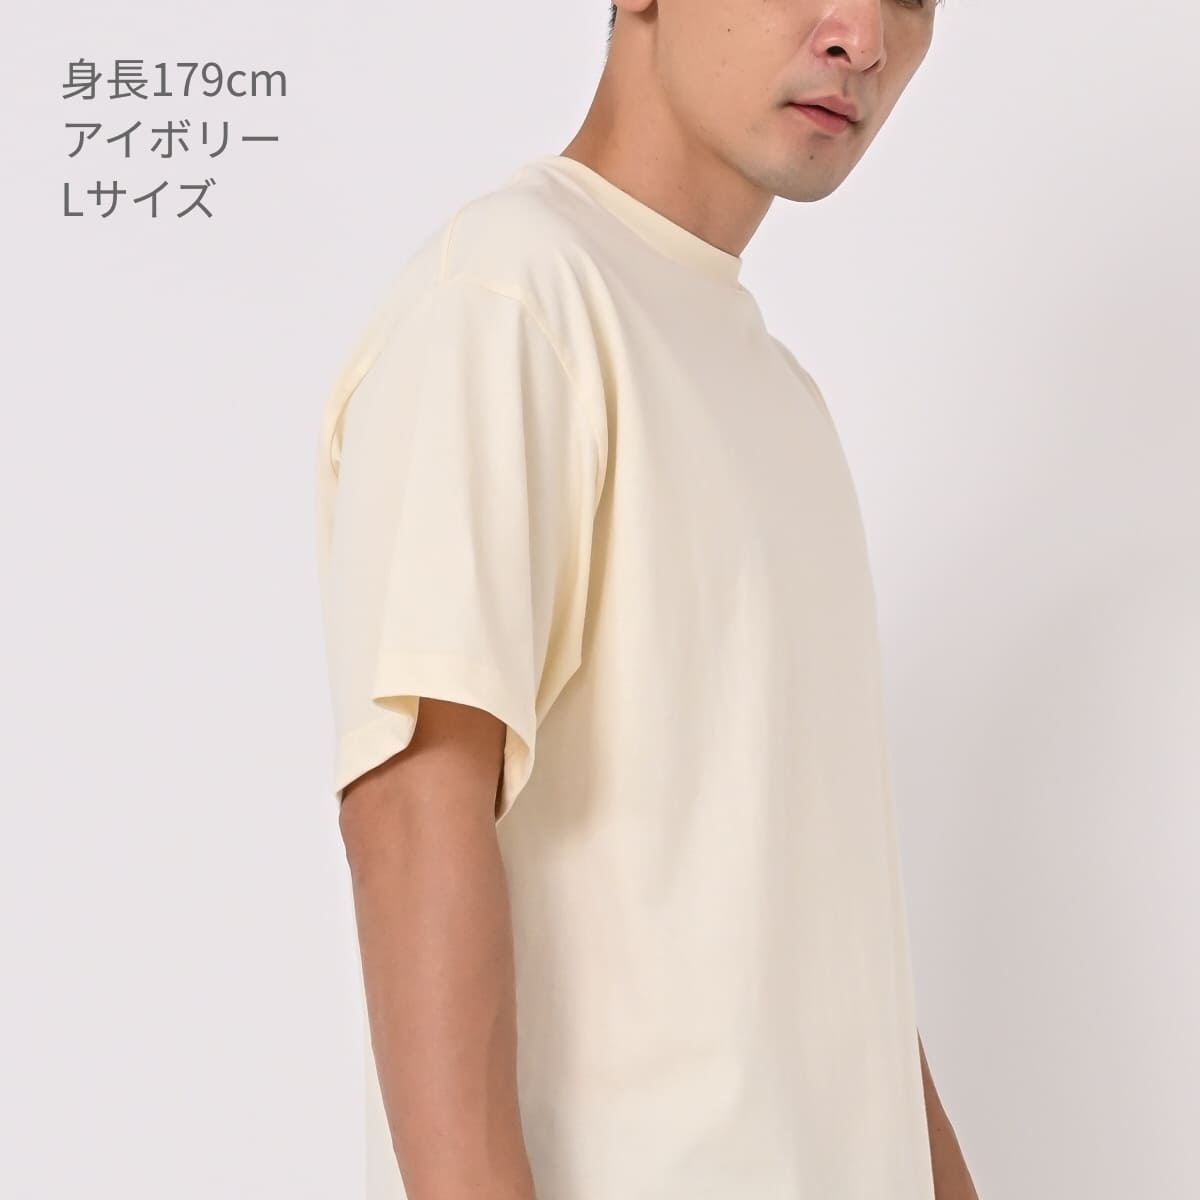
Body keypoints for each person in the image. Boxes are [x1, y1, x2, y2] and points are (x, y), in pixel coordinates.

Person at [314, 2, 979, 1197]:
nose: (864, 38)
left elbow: (834, 946)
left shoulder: (779, 392)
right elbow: (412, 816)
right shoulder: (513, 297)